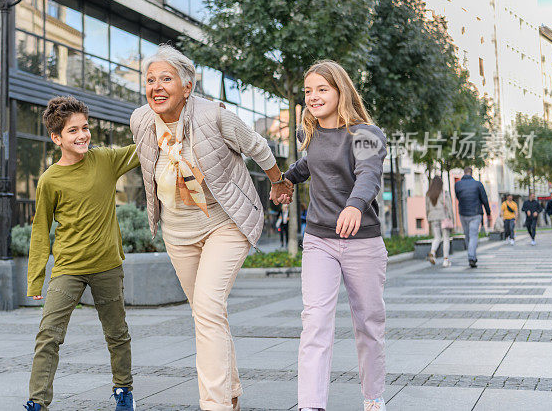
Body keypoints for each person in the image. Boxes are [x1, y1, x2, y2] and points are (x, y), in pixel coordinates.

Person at [130, 46, 286, 411]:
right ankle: (229, 392)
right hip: (177, 229)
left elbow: (258, 146)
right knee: (206, 311)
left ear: (187, 86)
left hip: (224, 222)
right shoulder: (140, 120)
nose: (156, 87)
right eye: (150, 80)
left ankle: (213, 404)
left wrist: (279, 182)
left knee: (208, 304)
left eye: (165, 79)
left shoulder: (214, 116)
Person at [271, 60, 388, 411]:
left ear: (341, 91)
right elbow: (310, 164)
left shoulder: (367, 133)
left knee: (368, 322)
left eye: (322, 89)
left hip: (363, 240)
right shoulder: (311, 135)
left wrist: (355, 205)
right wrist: (287, 179)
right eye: (308, 91)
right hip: (320, 239)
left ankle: (373, 397)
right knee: (315, 321)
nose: (313, 97)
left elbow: (368, 173)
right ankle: (311, 405)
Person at [25, 96, 139, 411]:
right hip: (68, 267)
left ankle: (123, 392)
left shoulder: (105, 159)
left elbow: (143, 147)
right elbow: (40, 229)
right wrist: (35, 279)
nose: (82, 135)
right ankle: (37, 402)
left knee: (118, 333)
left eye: (85, 127)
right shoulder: (49, 180)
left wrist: (165, 117)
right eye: (73, 130)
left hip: (107, 265)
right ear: (57, 137)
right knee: (48, 335)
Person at [454, 167, 492, 268]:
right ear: (472, 173)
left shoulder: (457, 184)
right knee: (473, 235)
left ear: (464, 173)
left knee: (468, 236)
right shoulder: (478, 184)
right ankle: (471, 256)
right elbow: (484, 199)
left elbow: (458, 197)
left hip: (463, 213)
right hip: (475, 213)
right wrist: (488, 213)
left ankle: (471, 255)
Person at [425, 176, 452, 267]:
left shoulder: (428, 194)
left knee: (436, 237)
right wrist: (452, 218)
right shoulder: (444, 193)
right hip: (443, 217)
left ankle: (432, 252)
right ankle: (445, 260)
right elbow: (449, 207)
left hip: (433, 218)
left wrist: (428, 218)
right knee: (445, 238)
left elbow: (427, 208)